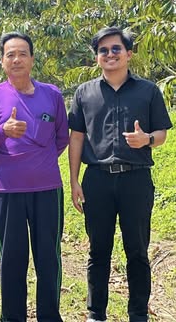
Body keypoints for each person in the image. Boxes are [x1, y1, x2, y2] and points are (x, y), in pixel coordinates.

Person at [68, 27, 172, 322]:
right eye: (103, 50)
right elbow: (77, 137)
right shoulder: (84, 93)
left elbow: (162, 133)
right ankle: (95, 314)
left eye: (116, 49)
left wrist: (146, 139)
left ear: (128, 54)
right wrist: (74, 180)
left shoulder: (148, 91)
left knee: (137, 250)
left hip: (135, 179)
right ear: (96, 58)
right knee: (98, 250)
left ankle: (138, 314)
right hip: (97, 179)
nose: (110, 54)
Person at [0, 32, 69, 322]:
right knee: (12, 261)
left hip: (47, 188)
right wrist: (3, 130)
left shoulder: (52, 94)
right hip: (6, 190)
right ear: (2, 61)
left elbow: (61, 138)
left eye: (22, 53)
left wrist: (40, 160)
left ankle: (49, 317)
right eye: (10, 54)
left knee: (48, 259)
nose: (16, 59)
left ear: (32, 58)